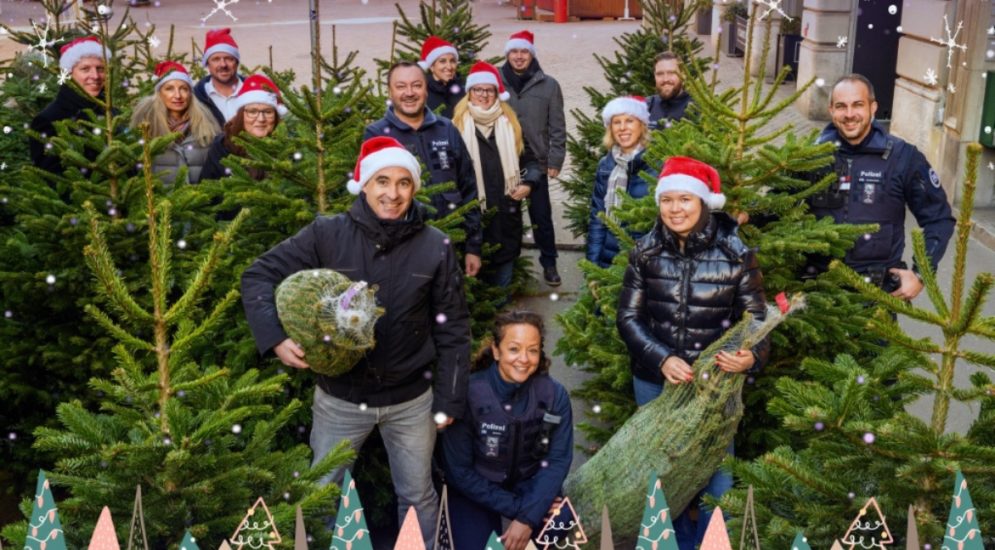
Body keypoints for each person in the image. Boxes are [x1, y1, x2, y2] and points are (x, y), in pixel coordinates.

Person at [241, 136, 471, 548]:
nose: (392, 193)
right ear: (364, 184)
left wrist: (450, 399)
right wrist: (274, 338)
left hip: (411, 400)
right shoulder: (327, 233)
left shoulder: (435, 246)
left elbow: (452, 324)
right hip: (341, 400)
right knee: (323, 491)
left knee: (418, 495)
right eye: (382, 181)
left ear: (414, 189)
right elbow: (258, 275)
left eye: (403, 183)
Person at [616, 156, 768, 550]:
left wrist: (752, 358)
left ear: (704, 203)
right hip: (655, 384)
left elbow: (757, 321)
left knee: (717, 482)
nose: (675, 209)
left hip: (713, 390)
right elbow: (628, 317)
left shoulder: (737, 255)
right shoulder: (645, 252)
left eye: (685, 199)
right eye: (667, 200)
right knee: (662, 478)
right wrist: (661, 357)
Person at [808, 74, 954, 298]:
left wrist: (921, 274)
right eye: (841, 106)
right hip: (816, 296)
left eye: (858, 105)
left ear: (873, 107)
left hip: (876, 297)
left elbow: (939, 218)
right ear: (831, 110)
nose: (849, 114)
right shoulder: (811, 155)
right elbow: (776, 203)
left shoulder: (903, 157)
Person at [440, 309, 573, 550]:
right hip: (477, 487)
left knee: (561, 520)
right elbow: (458, 470)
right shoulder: (469, 393)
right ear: (496, 350)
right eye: (514, 349)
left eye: (532, 350)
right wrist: (522, 513)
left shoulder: (554, 395)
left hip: (528, 481)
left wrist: (531, 513)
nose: (523, 359)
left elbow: (557, 460)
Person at [364, 61, 483, 277]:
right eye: (401, 86)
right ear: (390, 92)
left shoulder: (447, 128)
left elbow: (469, 188)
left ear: (426, 89)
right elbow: (370, 199)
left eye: (416, 85)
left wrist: (473, 247)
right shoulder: (376, 134)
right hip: (400, 250)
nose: (409, 93)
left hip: (451, 244)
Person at [451, 62, 541, 287]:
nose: (483, 95)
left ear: (497, 94)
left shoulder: (511, 125)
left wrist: (529, 183)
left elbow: (530, 161)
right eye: (478, 89)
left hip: (505, 215)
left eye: (489, 90)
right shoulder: (455, 127)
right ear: (469, 93)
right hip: (472, 219)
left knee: (502, 281)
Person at [500, 30, 566, 287]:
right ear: (508, 54)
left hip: (536, 162)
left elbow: (557, 126)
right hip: (504, 160)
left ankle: (549, 262)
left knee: (541, 217)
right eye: (514, 52)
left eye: (524, 52)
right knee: (507, 216)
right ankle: (510, 263)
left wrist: (555, 159)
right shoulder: (497, 81)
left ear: (531, 54)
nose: (518, 57)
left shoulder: (548, 85)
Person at [586, 96, 655, 268]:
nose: (623, 128)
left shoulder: (656, 164)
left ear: (642, 125)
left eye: (629, 121)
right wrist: (593, 266)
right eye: (617, 122)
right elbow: (598, 218)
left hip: (644, 262)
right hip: (608, 260)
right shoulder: (606, 165)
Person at [130, 61, 220, 185]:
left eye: (183, 89)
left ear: (190, 93)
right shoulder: (145, 128)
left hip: (200, 202)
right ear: (159, 93)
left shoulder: (208, 128)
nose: (177, 95)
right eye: (169, 89)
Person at [30, 36, 110, 174]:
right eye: (85, 69)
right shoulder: (50, 120)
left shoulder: (112, 113)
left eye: (100, 69)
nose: (95, 76)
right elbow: (52, 178)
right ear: (69, 73)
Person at [201, 74, 288, 181]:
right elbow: (207, 190)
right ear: (241, 115)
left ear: (276, 116)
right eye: (252, 111)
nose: (261, 119)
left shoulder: (287, 148)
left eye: (268, 112)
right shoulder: (222, 147)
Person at [193, 28, 245, 127]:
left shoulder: (255, 92)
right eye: (216, 59)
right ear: (207, 63)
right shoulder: (196, 96)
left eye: (229, 59)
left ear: (237, 62)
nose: (223, 65)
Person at [419, 35, 465, 119]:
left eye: (452, 61)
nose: (449, 67)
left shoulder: (463, 90)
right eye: (442, 61)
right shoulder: (422, 92)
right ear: (431, 66)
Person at [646, 51, 692, 131]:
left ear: (683, 74)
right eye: (660, 74)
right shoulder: (648, 104)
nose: (665, 79)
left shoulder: (695, 107)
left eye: (671, 73)